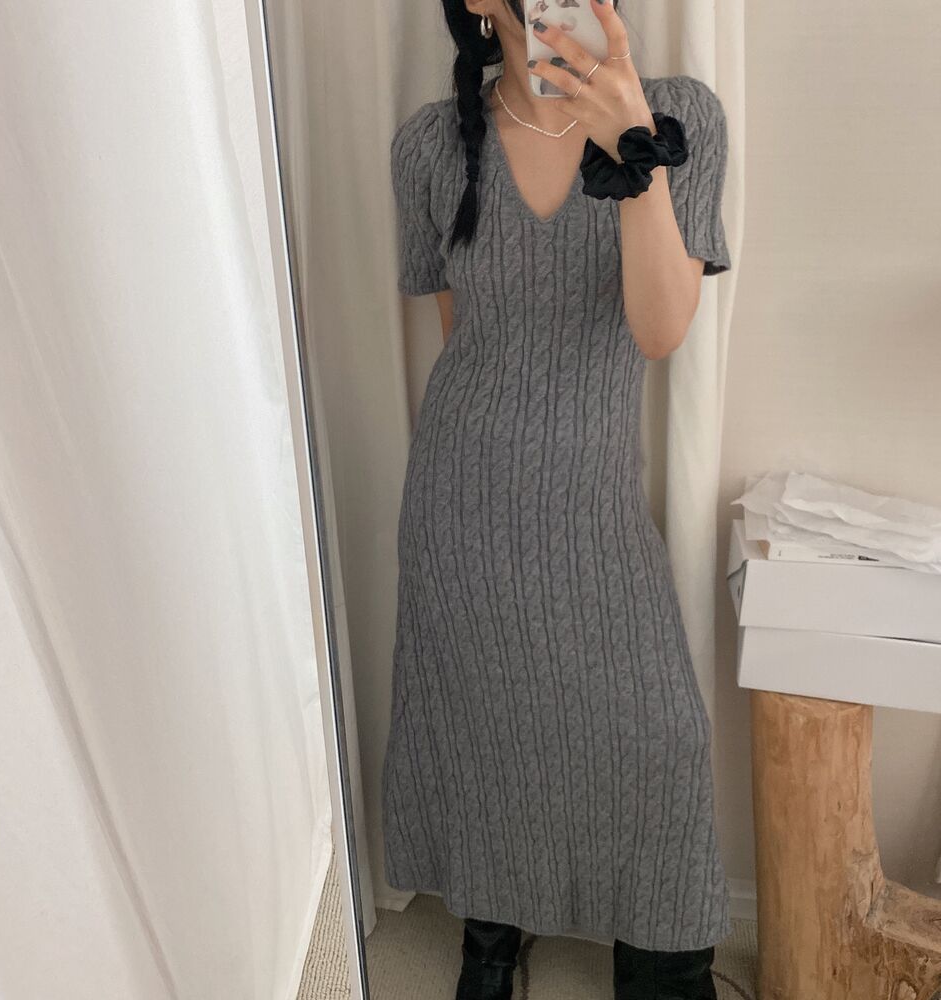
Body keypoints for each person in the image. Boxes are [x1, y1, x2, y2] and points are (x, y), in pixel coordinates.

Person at [382, 1, 732, 997]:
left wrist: (630, 146)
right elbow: (465, 337)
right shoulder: (429, 146)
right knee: (486, 724)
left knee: (659, 741)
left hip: (594, 504)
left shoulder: (678, 115)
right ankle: (491, 935)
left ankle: (666, 967)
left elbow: (660, 330)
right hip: (460, 499)